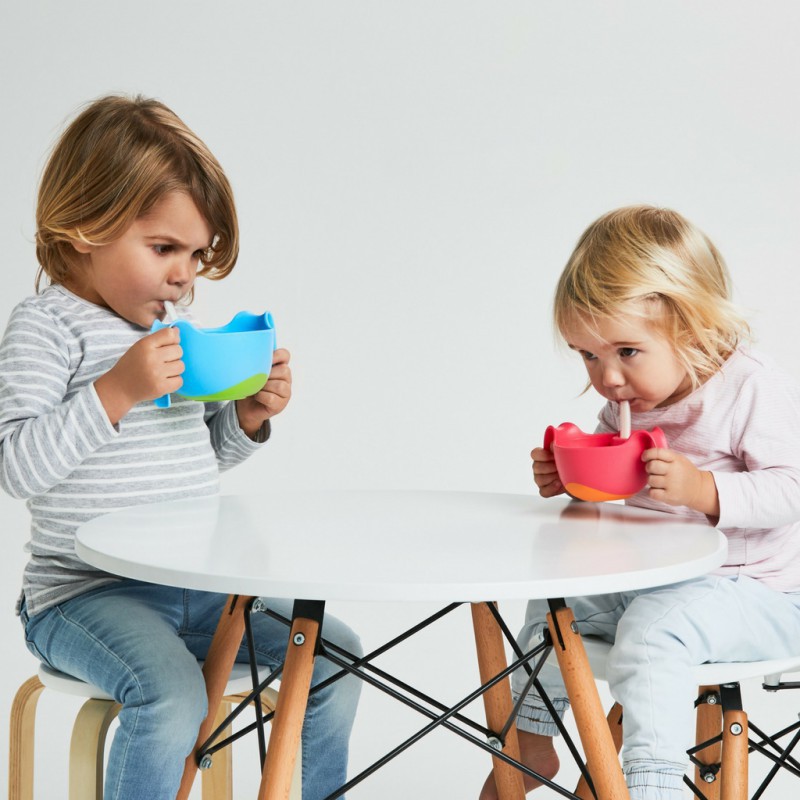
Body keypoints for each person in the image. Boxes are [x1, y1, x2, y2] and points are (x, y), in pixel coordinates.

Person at [0, 94, 362, 800]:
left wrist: (248, 418)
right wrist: (115, 391)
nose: (183, 277)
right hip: (85, 596)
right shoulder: (47, 328)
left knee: (335, 653)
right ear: (82, 227)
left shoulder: (172, 327)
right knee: (169, 695)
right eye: (164, 249)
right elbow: (17, 468)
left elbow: (195, 456)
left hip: (201, 589)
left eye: (195, 256)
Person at [480, 206, 800, 800]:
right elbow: (624, 503)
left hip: (758, 592)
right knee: (553, 602)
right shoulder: (626, 406)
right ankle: (530, 738)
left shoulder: (750, 387)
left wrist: (705, 490)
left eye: (626, 351)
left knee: (655, 633)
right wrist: (577, 481)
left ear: (694, 327)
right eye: (588, 356)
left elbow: (792, 490)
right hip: (659, 582)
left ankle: (653, 786)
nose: (607, 378)